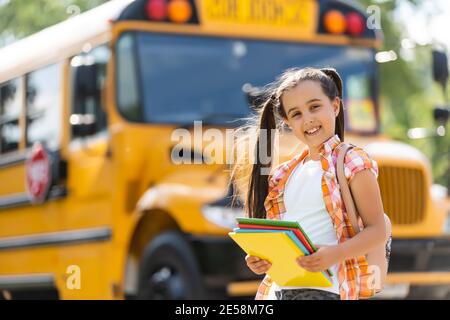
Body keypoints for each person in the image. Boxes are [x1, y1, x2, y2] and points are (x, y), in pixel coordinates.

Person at [231, 67, 391, 300]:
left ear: (335, 106)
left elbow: (377, 231)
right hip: (279, 292)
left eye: (314, 107)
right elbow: (284, 238)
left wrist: (335, 254)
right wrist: (263, 259)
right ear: (287, 122)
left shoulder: (351, 161)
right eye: (296, 114)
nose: (308, 119)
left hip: (328, 290)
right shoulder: (283, 174)